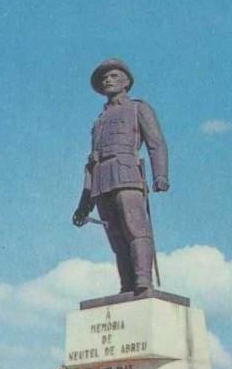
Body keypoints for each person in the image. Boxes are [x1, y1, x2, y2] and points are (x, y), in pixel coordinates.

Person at [72, 58, 169, 295]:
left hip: (127, 176)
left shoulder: (138, 108)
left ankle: (142, 281)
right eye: (105, 78)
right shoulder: (98, 121)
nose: (108, 80)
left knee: (136, 229)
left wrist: (161, 175)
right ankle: (127, 284)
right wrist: (84, 206)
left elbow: (156, 143)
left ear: (126, 82)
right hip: (102, 182)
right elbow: (91, 164)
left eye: (114, 76)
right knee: (116, 239)